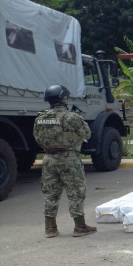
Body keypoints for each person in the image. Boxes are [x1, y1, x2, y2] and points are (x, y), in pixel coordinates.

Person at [33, 84, 95, 238]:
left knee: (51, 194)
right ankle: (79, 227)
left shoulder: (40, 118)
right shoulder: (71, 117)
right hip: (69, 159)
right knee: (76, 192)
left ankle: (50, 228)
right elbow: (87, 134)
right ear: (63, 98)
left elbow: (37, 137)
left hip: (49, 159)